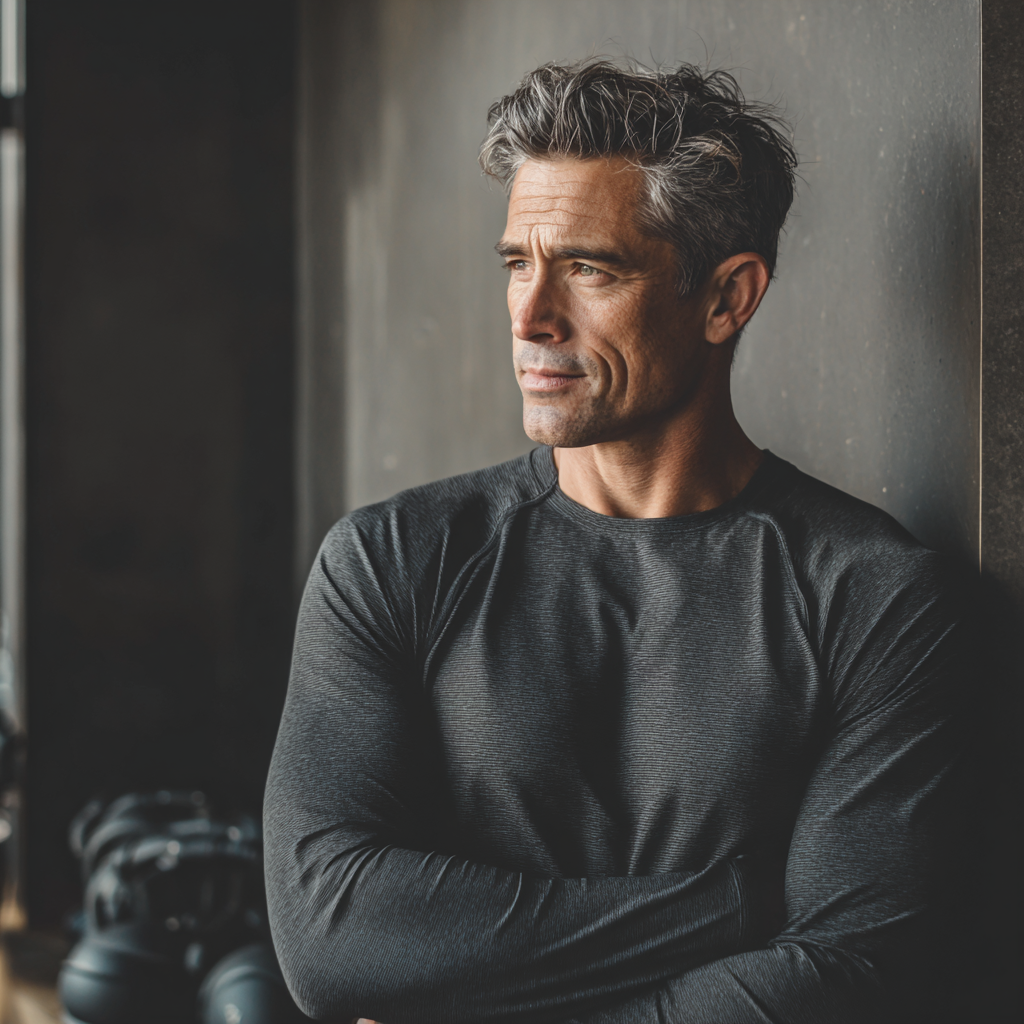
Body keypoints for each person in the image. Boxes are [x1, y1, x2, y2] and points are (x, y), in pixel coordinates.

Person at [264, 60, 968, 1024]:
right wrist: (741, 901)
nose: (530, 316)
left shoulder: (875, 598)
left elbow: (845, 976)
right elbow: (333, 938)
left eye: (589, 268)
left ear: (727, 298)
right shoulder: (391, 564)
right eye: (518, 262)